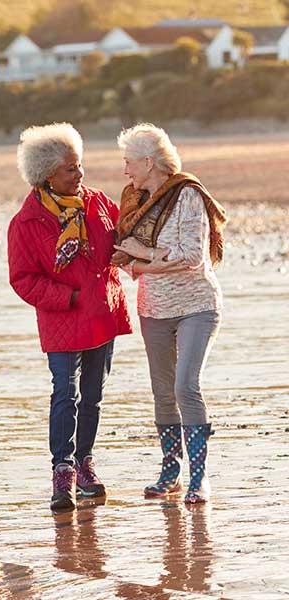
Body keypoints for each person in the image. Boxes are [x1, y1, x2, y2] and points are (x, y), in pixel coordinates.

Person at [7, 123, 132, 511]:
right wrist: (70, 296)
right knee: (66, 394)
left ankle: (85, 464)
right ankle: (61, 468)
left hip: (102, 316)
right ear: (47, 175)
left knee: (92, 397)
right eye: (70, 169)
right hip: (64, 320)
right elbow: (23, 279)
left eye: (79, 166)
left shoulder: (98, 203)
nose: (80, 175)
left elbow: (126, 236)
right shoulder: (26, 222)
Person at [113, 122, 227, 504]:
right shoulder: (134, 202)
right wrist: (147, 258)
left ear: (149, 161)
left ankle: (200, 478)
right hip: (154, 307)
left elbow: (193, 258)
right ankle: (170, 472)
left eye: (129, 162)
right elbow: (121, 259)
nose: (125, 170)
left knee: (185, 387)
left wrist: (143, 255)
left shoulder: (187, 195)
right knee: (163, 392)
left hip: (197, 305)